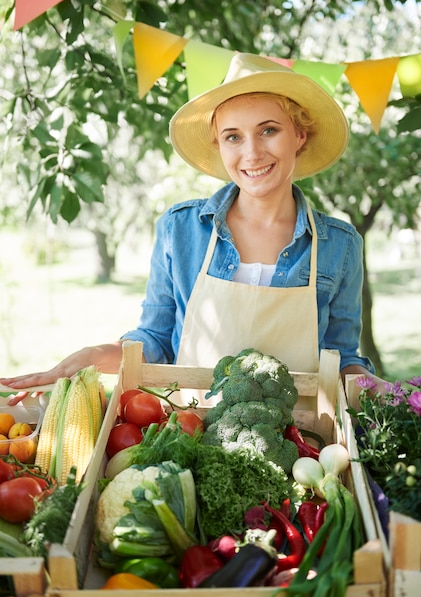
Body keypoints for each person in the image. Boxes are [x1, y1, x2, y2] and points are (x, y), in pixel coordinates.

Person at [1, 52, 383, 404]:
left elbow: (342, 357)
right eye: (233, 137)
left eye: (268, 130)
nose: (251, 153)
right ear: (219, 145)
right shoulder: (181, 229)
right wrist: (90, 357)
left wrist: (379, 389)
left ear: (299, 135)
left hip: (301, 443)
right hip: (191, 431)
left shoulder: (339, 245)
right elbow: (155, 339)